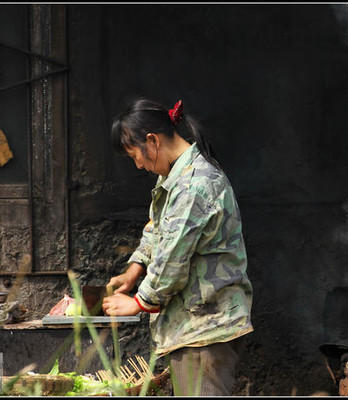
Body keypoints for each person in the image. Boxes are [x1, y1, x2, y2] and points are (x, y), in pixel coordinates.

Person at [103, 97, 253, 396]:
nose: (139, 164)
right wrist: (135, 269)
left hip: (205, 329)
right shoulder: (175, 178)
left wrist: (136, 303)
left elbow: (172, 260)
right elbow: (158, 229)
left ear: (152, 140)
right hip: (194, 327)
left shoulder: (194, 185)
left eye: (136, 155)